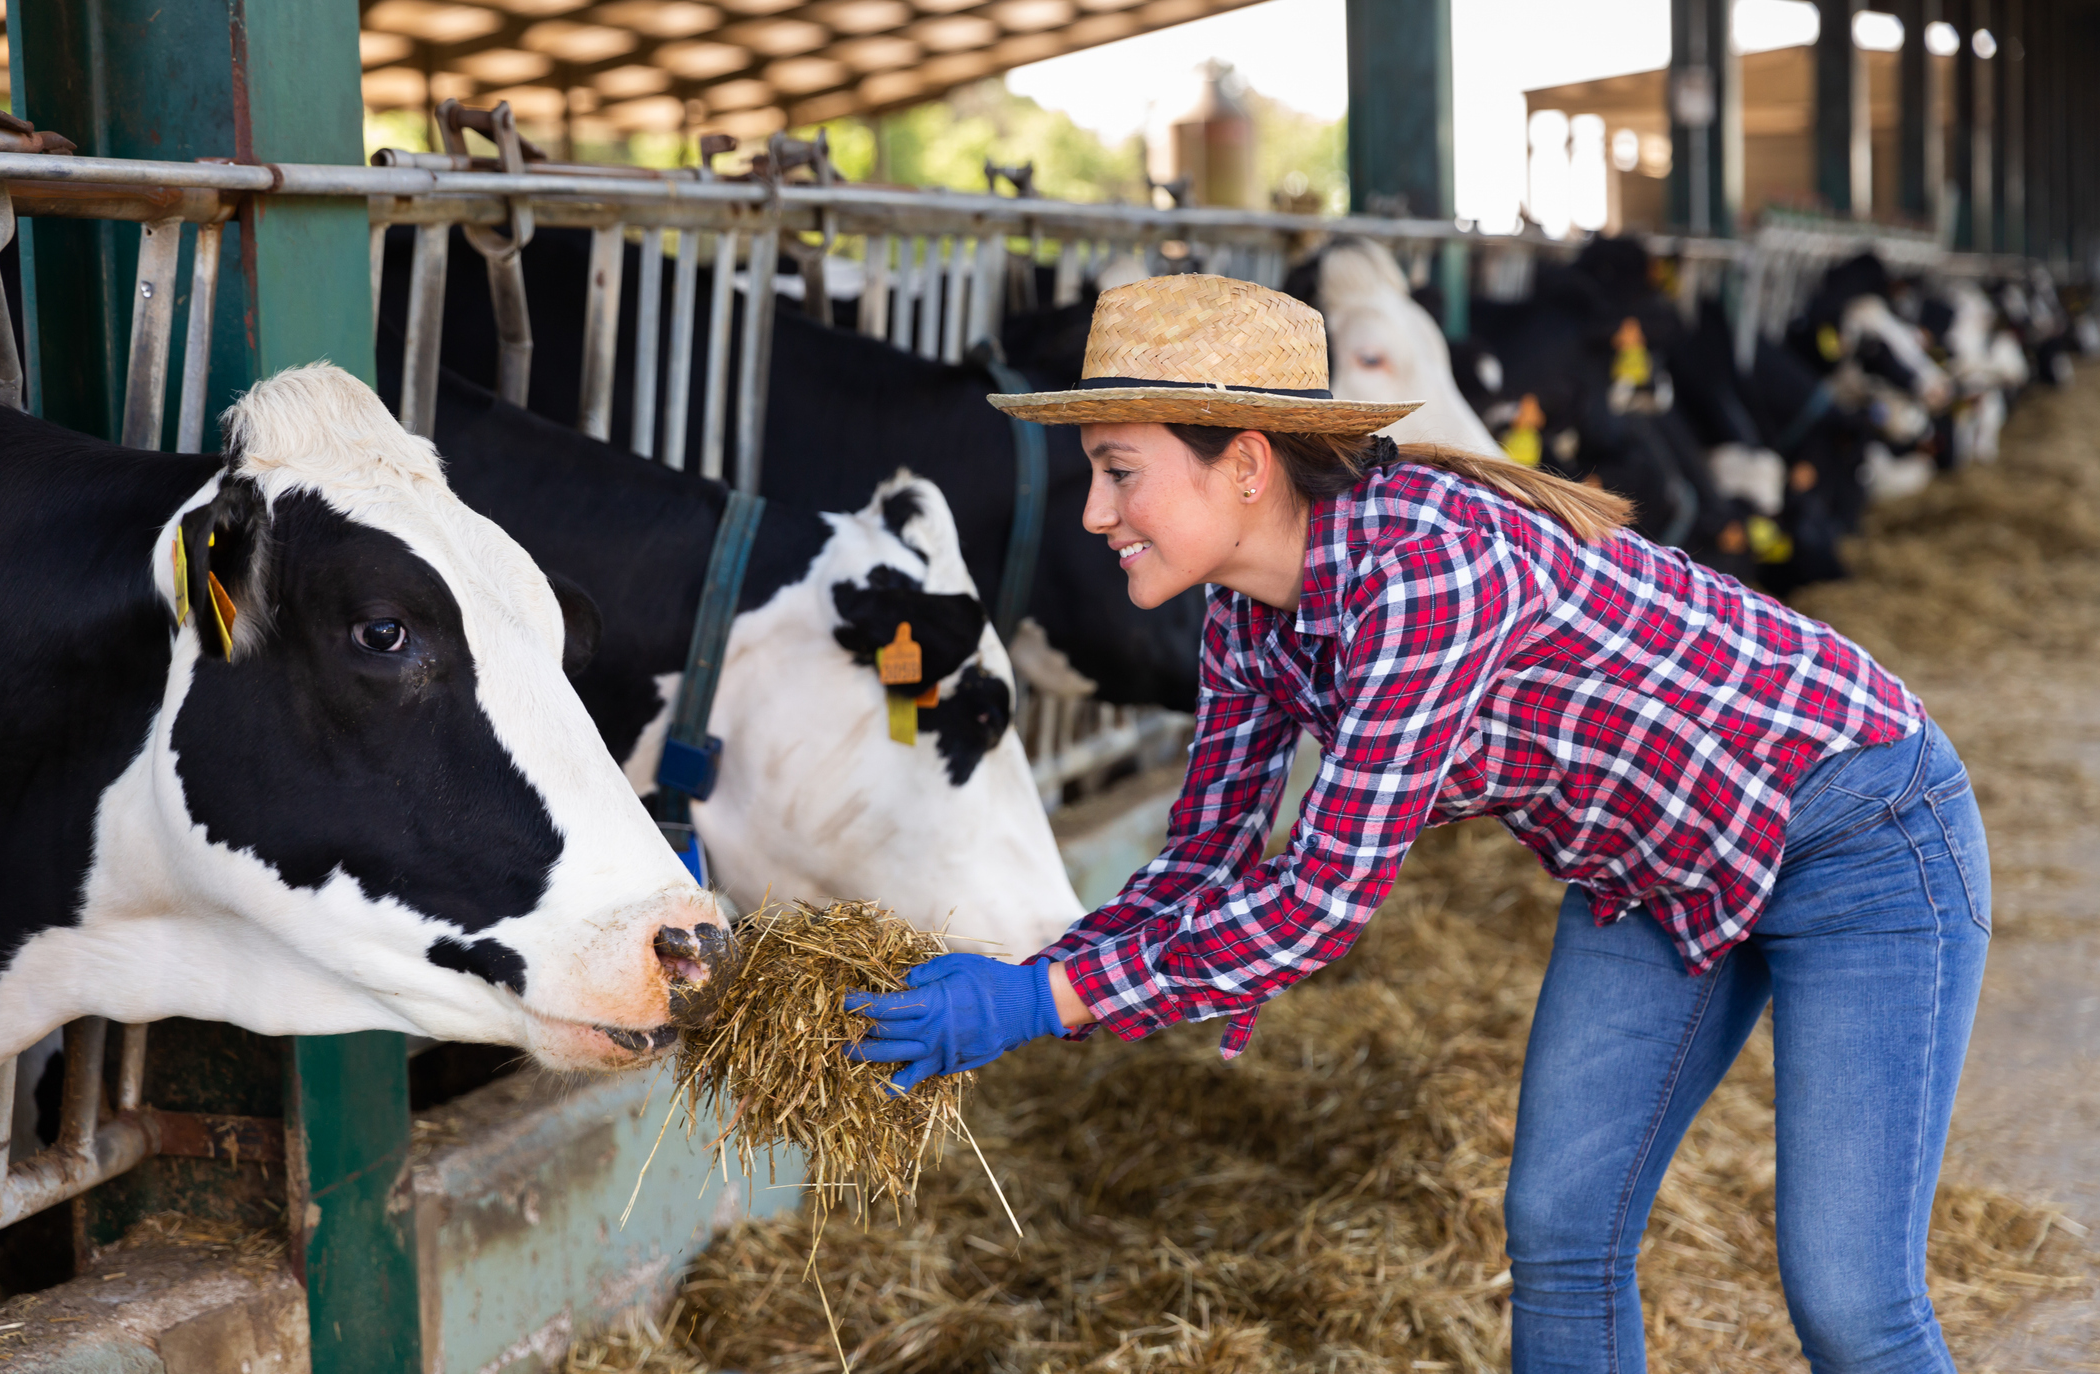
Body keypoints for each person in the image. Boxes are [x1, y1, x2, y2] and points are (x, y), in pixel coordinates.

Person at [846, 275, 1987, 1374]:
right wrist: (1037, 969)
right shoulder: (1247, 616)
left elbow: (1320, 902)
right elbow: (1206, 857)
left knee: (1848, 1299)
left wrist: (1039, 1005)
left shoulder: (1426, 567)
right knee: (1559, 1230)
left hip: (1859, 829)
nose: (1094, 513)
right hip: (1655, 866)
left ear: (1243, 465)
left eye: (1119, 473)